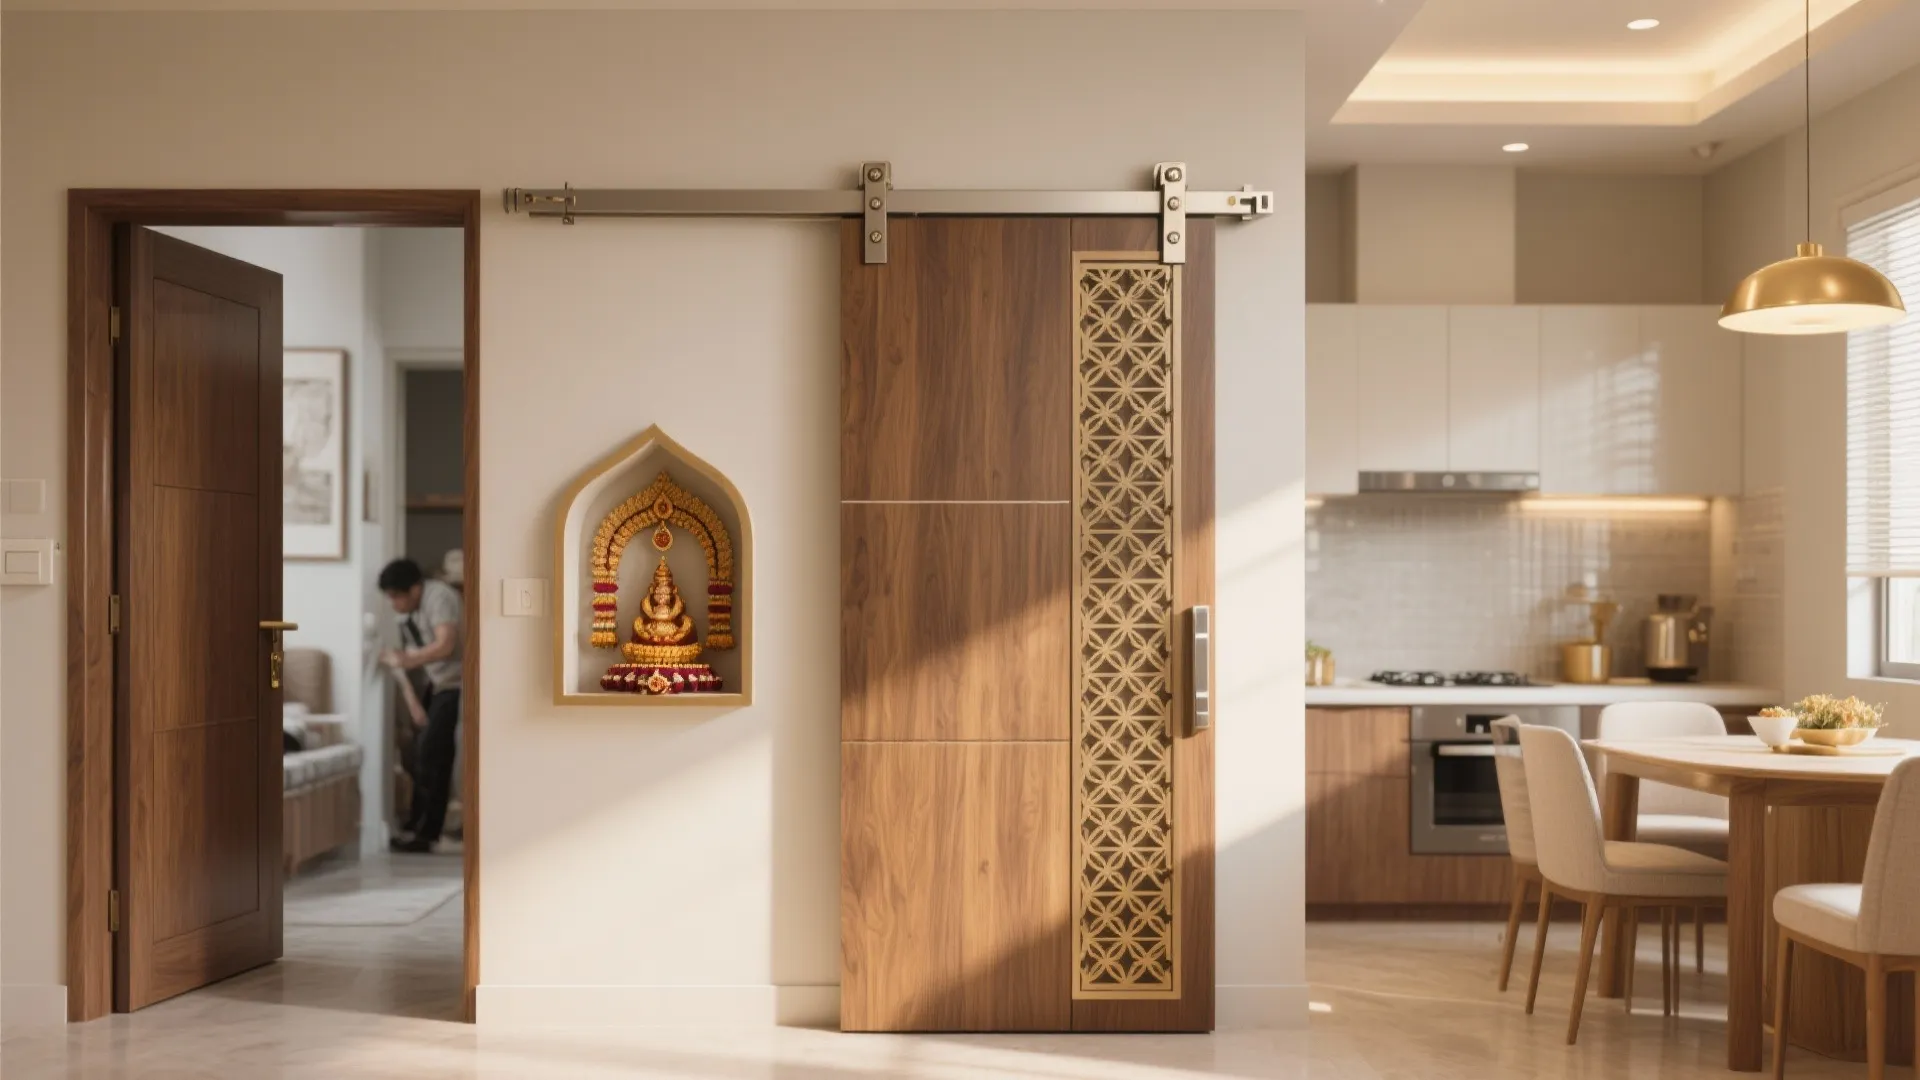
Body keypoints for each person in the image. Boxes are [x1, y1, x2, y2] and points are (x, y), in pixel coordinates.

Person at [378, 558, 464, 854]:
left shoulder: (439, 597)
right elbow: (404, 665)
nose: (393, 604)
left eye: (395, 596)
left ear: (414, 589)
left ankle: (428, 833)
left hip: (457, 684)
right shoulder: (407, 615)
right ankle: (416, 826)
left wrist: (407, 659)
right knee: (419, 755)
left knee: (434, 755)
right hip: (436, 685)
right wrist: (415, 703)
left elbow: (446, 645)